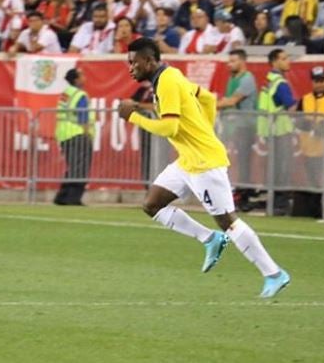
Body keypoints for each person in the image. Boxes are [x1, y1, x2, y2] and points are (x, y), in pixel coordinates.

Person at [118, 37, 290, 298]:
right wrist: (204, 132)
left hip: (204, 162)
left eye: (133, 62)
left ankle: (274, 273)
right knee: (152, 205)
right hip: (189, 159)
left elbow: (170, 127)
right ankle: (209, 239)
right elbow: (208, 99)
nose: (130, 68)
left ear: (149, 60)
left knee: (227, 221)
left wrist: (133, 117)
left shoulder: (166, 82)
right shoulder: (170, 75)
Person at [294, 66, 324, 219]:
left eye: (322, 80)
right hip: (310, 147)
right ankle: (315, 211)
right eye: (316, 81)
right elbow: (298, 121)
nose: (319, 84)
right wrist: (310, 125)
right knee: (313, 180)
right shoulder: (305, 99)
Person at [216, 49, 258, 212]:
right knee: (238, 161)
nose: (229, 64)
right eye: (229, 61)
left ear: (242, 61)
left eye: (233, 61)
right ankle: (239, 194)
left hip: (246, 125)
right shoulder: (233, 79)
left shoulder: (247, 79)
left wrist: (210, 104)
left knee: (244, 162)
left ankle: (244, 196)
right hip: (235, 126)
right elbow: (228, 100)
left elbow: (233, 100)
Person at [257, 49, 296, 215]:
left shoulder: (268, 82)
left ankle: (274, 202)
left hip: (270, 132)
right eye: (284, 58)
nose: (288, 61)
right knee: (283, 169)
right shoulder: (280, 83)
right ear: (275, 62)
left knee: (274, 169)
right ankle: (281, 205)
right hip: (281, 132)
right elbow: (291, 106)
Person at [54, 68, 95, 206]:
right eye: (81, 74)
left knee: (72, 167)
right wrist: (87, 133)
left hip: (64, 133)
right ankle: (73, 198)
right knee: (81, 168)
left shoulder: (66, 93)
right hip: (78, 133)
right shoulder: (80, 95)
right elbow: (83, 116)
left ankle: (62, 196)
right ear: (76, 79)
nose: (84, 77)